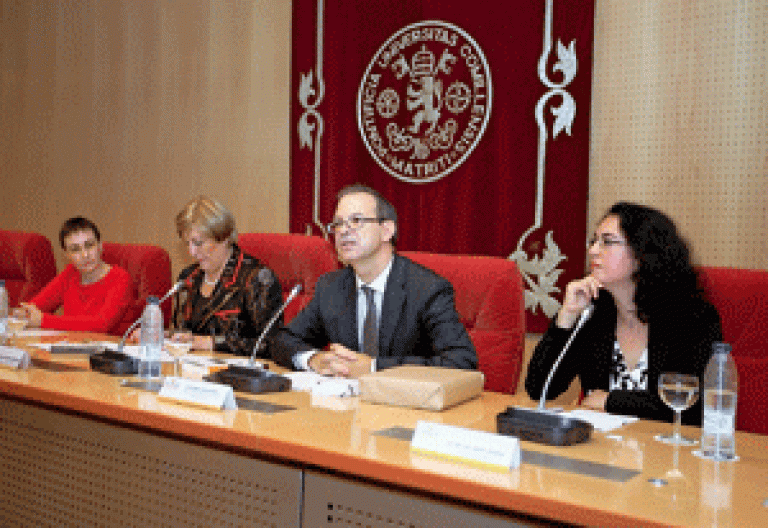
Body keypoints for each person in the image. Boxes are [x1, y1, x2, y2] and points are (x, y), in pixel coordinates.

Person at [525, 202, 722, 425]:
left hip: (665, 450)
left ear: (642, 252)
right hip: (603, 448)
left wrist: (611, 401)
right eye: (594, 241)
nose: (593, 251)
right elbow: (539, 388)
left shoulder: (691, 316)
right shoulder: (593, 313)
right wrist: (567, 316)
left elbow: (689, 405)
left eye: (607, 242)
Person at [271, 184, 477, 377]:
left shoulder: (427, 289)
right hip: (345, 407)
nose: (343, 230)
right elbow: (283, 340)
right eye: (338, 224)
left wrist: (373, 367)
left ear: (387, 230)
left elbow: (461, 361)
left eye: (356, 221)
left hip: (406, 408)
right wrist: (313, 359)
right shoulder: (331, 287)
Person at [171, 195, 282, 356]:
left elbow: (271, 343)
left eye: (198, 243)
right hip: (191, 370)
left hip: (237, 375)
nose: (191, 252)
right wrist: (161, 335)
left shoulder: (257, 278)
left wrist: (212, 343)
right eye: (187, 243)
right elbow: (183, 333)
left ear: (223, 238)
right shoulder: (188, 277)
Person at [14, 217, 133, 335]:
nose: (85, 255)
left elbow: (102, 324)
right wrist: (23, 313)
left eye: (89, 245)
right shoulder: (69, 274)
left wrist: (43, 320)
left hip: (108, 350)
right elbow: (35, 307)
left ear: (100, 246)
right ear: (66, 254)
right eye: (75, 249)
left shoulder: (120, 278)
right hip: (72, 346)